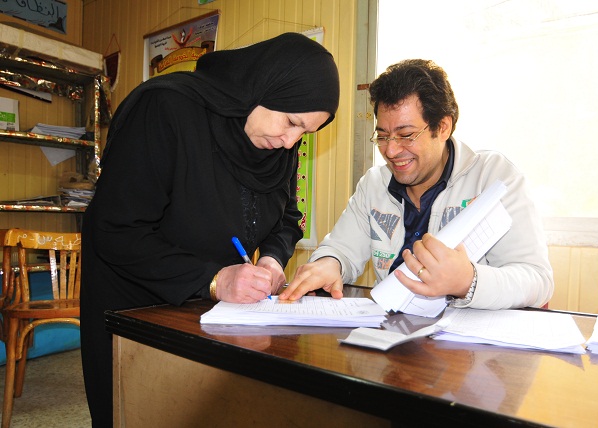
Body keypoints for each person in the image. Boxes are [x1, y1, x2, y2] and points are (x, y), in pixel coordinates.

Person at [80, 33, 340, 426]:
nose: (291, 142)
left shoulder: (278, 149)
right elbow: (115, 229)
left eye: (305, 133)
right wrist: (214, 279)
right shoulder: (165, 108)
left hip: (212, 312)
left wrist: (272, 259)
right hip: (136, 309)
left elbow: (289, 216)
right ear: (261, 87)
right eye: (291, 122)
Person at [281, 59, 553, 310]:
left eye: (406, 135)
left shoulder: (493, 177)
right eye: (383, 136)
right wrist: (330, 264)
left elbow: (537, 280)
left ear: (443, 127)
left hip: (462, 338)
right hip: (388, 332)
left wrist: (468, 281)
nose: (391, 151)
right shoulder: (374, 184)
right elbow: (341, 249)